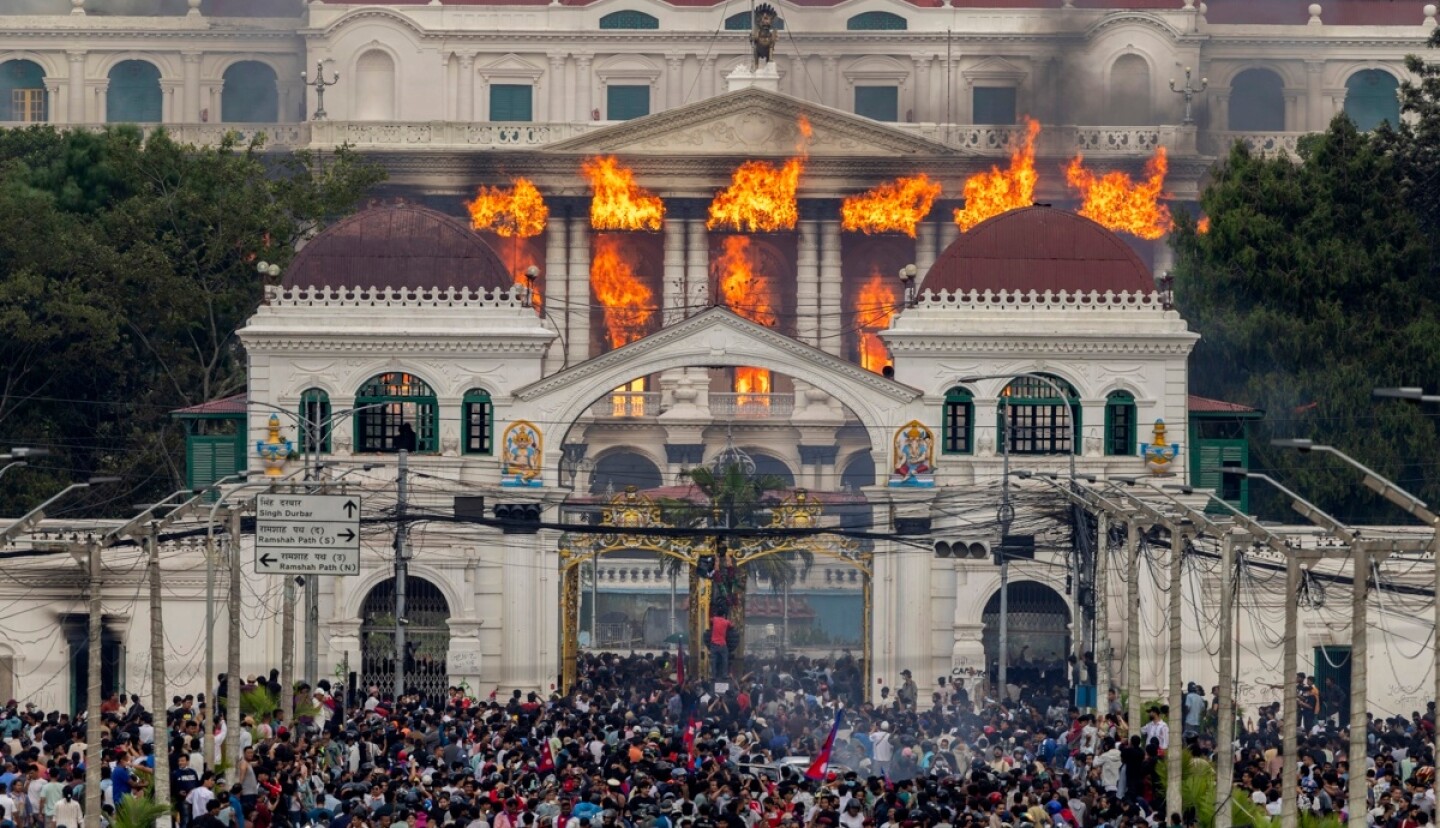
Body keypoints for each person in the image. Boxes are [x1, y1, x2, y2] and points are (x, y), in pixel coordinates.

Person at [708, 613, 731, 681]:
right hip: (722, 644)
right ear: (724, 615)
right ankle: (724, 674)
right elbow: (732, 625)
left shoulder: (714, 619)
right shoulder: (726, 621)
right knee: (725, 659)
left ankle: (713, 675)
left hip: (714, 644)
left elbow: (710, 620)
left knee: (713, 660)